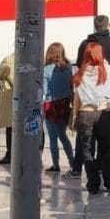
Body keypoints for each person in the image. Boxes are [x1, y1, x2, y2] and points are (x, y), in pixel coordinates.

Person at [71, 41, 110, 194]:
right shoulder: (109, 70)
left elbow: (77, 98)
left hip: (85, 113)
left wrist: (74, 117)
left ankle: (93, 183)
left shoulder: (78, 74)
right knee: (106, 148)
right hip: (104, 112)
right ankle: (109, 181)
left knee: (87, 150)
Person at [41, 43, 75, 174]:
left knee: (53, 137)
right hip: (65, 104)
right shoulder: (68, 68)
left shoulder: (46, 70)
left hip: (51, 104)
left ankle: (56, 164)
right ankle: (72, 163)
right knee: (63, 135)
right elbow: (71, 88)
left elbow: (44, 91)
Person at [0, 52, 15, 166]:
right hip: (30, 96)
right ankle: (37, 154)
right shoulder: (36, 58)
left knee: (10, 126)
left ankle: (10, 154)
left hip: (10, 96)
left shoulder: (8, 59)